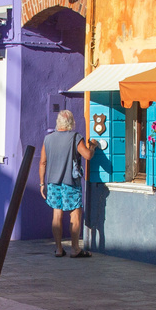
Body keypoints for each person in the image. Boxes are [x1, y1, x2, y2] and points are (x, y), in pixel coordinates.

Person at [39, 108, 93, 258]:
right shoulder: (75, 137)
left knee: (57, 214)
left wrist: (42, 183)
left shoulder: (48, 139)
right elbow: (87, 155)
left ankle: (58, 248)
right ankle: (75, 249)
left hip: (53, 183)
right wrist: (93, 146)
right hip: (70, 182)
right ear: (71, 123)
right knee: (75, 213)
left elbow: (42, 162)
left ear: (58, 122)